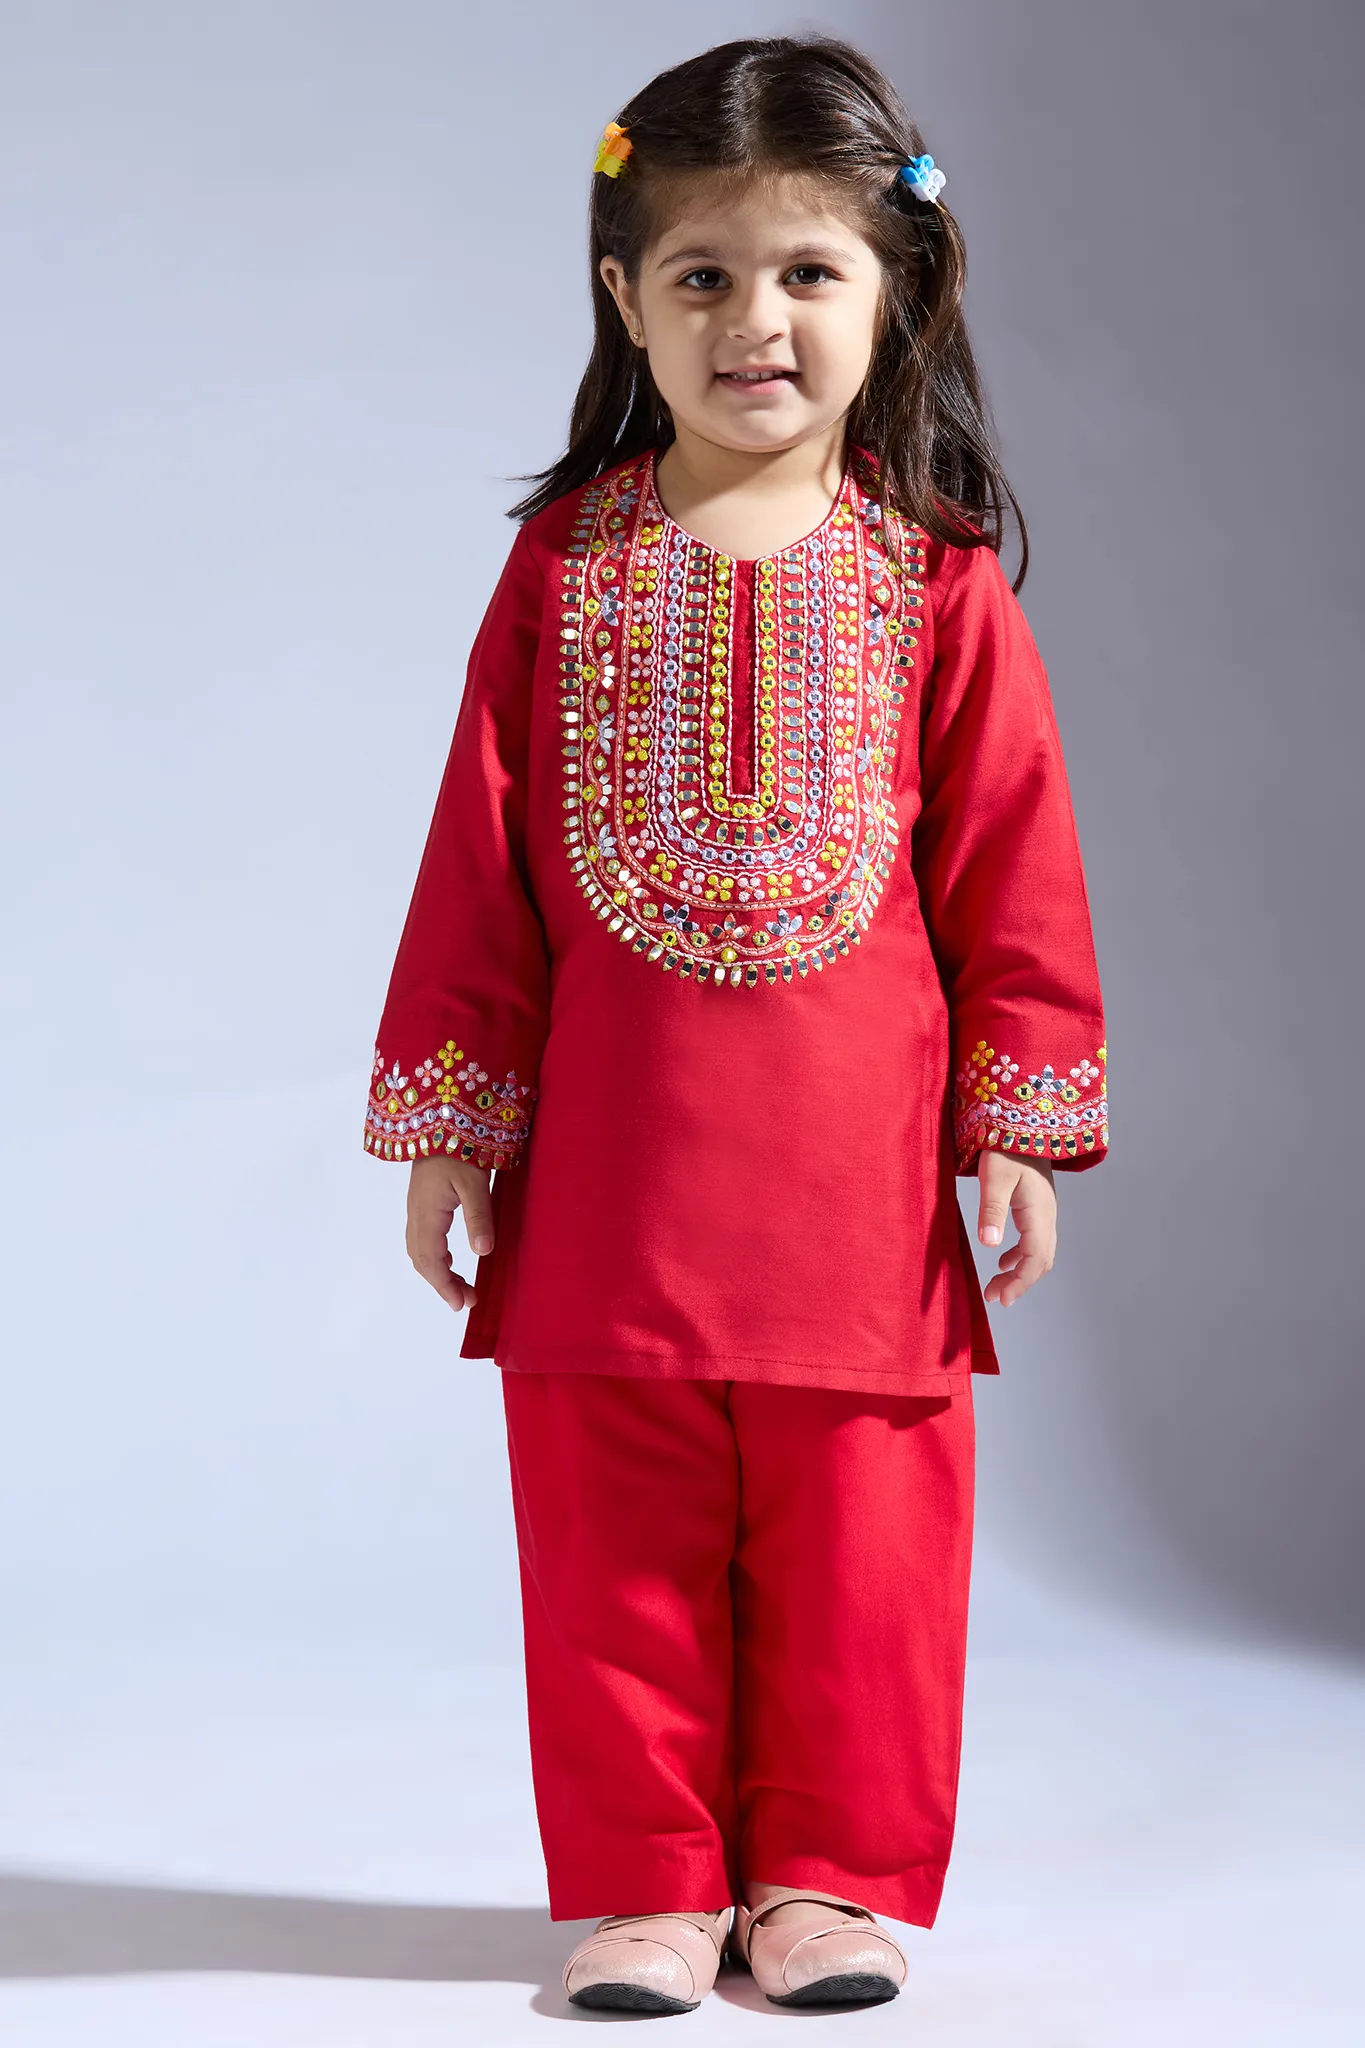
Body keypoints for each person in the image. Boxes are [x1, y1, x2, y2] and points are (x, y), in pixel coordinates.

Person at [364, 32, 1108, 2018]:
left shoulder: (937, 586)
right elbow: (479, 864)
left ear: (896, 292)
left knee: (865, 1552)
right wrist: (453, 1123)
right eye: (701, 275)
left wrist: (1016, 1125)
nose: (753, 321)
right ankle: (649, 1886)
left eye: (805, 273)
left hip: (860, 1206)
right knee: (612, 1548)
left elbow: (1015, 874)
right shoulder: (563, 570)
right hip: (608, 1195)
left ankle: (824, 1883)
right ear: (626, 299)